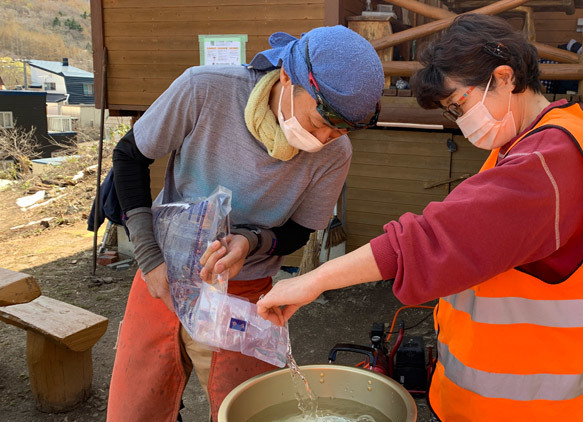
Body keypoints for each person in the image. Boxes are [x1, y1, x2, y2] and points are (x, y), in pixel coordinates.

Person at [249, 14, 583, 421]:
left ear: (504, 77)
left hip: (533, 402)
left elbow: (431, 240)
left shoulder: (544, 163)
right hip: (546, 386)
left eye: (459, 104)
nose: (462, 123)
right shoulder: (560, 131)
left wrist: (311, 281)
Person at [106, 26, 384, 422]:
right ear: (287, 77)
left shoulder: (335, 153)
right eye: (320, 121)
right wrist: (149, 258)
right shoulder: (205, 89)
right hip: (163, 273)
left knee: (252, 412)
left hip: (247, 292)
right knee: (135, 408)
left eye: (340, 130)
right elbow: (129, 156)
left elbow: (300, 230)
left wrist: (250, 242)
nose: (324, 138)